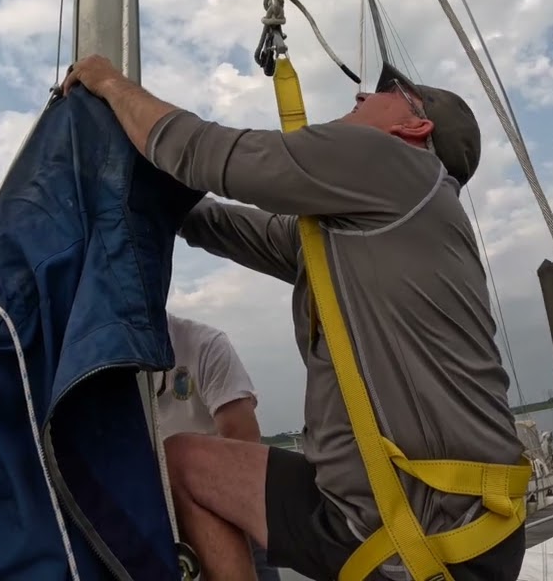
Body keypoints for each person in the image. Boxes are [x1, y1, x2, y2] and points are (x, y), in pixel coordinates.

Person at [61, 56, 525, 581]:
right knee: (185, 463)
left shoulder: (399, 167)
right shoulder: (359, 225)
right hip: (385, 517)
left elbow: (209, 153)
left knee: (185, 463)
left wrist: (109, 83)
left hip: (436, 534)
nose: (359, 97)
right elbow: (218, 223)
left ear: (414, 127)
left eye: (388, 92)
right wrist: (125, 184)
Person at [156, 314, 281, 581]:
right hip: (156, 517)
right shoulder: (102, 361)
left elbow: (243, 439)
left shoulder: (204, 344)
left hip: (224, 504)